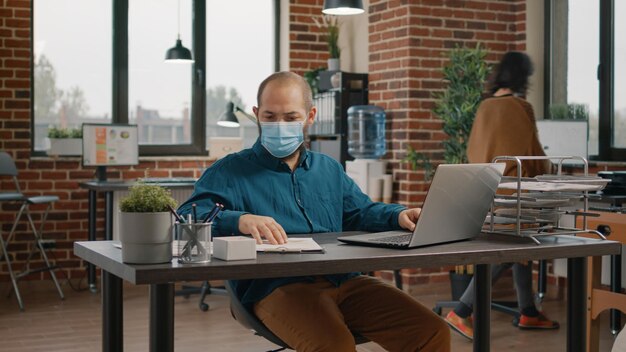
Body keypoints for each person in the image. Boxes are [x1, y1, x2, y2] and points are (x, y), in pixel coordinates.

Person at [179, 71, 450, 352]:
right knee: (333, 346)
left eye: (291, 117)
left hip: (344, 279)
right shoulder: (231, 170)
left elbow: (360, 211)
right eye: (270, 117)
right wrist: (241, 220)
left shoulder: (329, 168)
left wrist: (397, 215)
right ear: (257, 114)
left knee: (431, 332)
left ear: (310, 116)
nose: (279, 125)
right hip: (275, 287)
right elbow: (189, 214)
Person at [445, 51, 559, 340]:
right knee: (509, 252)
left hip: (484, 193)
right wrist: (553, 169)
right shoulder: (521, 107)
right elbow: (532, 155)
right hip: (514, 192)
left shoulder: (484, 107)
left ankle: (528, 312)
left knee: (518, 249)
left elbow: (474, 152)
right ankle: (461, 310)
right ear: (523, 77)